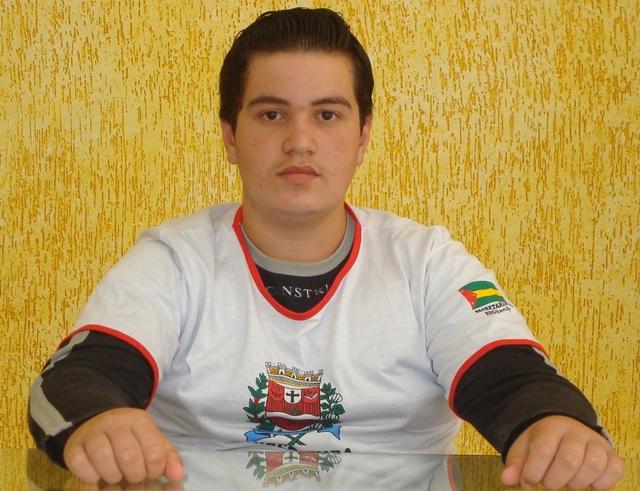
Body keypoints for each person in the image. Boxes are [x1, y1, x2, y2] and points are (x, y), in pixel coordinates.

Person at [28, 7, 624, 489]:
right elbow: (76, 379)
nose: (300, 141)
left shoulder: (428, 263)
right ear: (230, 137)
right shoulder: (173, 260)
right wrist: (100, 421)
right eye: (271, 114)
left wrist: (553, 424)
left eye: (328, 115)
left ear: (363, 137)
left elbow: (515, 379)